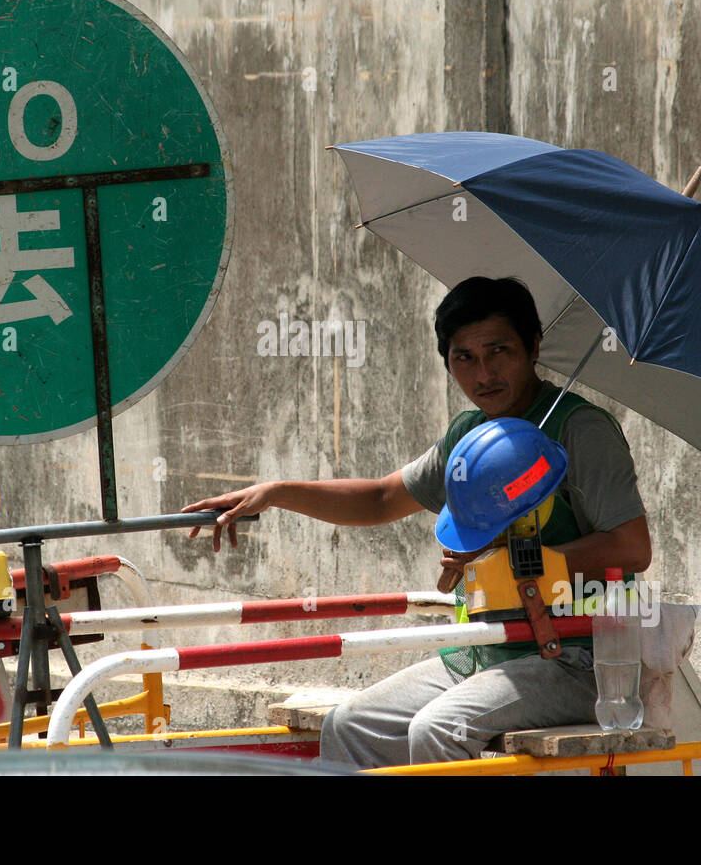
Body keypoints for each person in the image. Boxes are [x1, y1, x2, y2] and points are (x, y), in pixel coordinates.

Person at [182, 276, 650, 767]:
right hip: (487, 652)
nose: (483, 373)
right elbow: (383, 498)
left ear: (533, 346)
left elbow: (632, 547)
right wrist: (277, 493)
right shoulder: (469, 435)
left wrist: (511, 562)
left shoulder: (580, 430)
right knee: (350, 726)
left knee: (438, 730)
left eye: (499, 351)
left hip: (577, 661)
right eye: (463, 357)